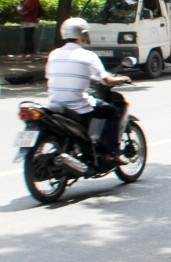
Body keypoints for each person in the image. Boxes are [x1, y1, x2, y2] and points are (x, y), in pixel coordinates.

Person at [46, 17, 131, 167]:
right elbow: (106, 81)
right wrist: (123, 79)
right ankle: (111, 154)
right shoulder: (87, 55)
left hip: (55, 103)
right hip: (77, 105)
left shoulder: (53, 54)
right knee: (113, 111)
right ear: (83, 35)